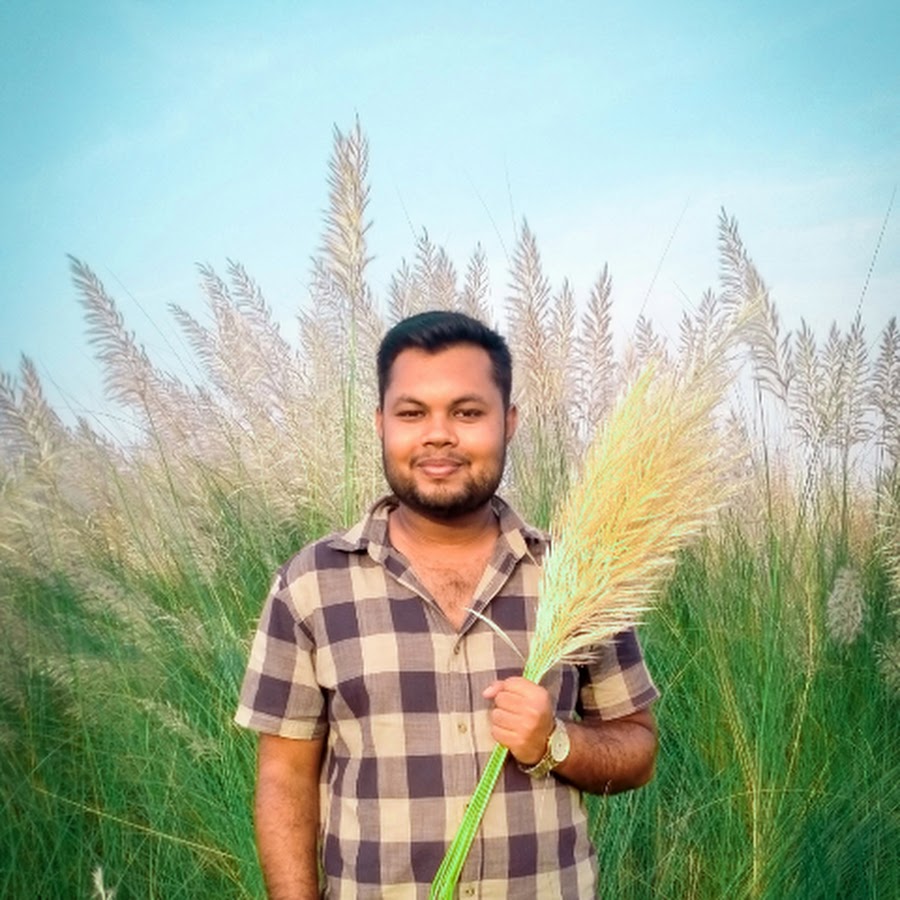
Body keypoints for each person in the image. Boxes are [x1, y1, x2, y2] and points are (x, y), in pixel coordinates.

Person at [235, 310, 659, 898]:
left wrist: (554, 742)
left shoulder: (578, 578)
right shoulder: (311, 584)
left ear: (508, 423)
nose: (438, 434)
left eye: (467, 412)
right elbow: (284, 777)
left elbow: (637, 748)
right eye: (412, 413)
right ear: (380, 423)